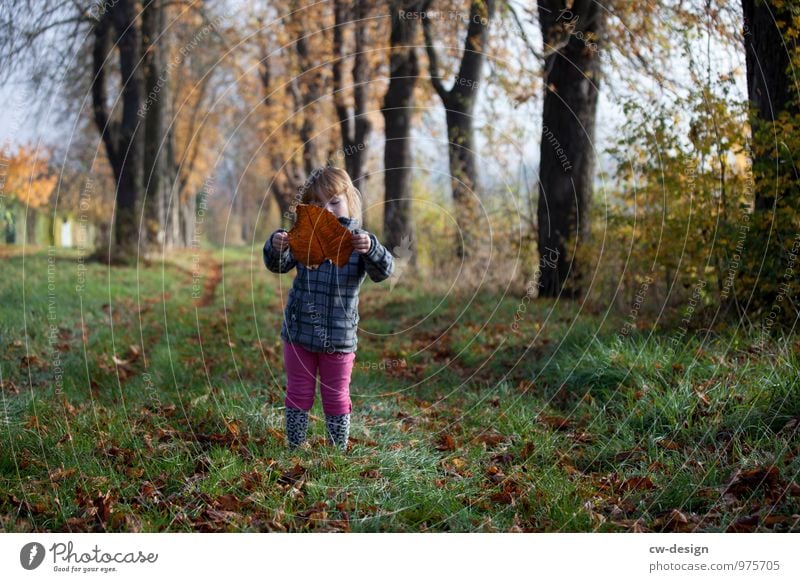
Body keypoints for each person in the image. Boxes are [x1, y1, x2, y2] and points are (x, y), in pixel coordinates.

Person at [263, 166, 395, 452]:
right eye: (319, 204)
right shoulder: (303, 235)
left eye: (335, 202)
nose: (328, 210)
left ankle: (337, 449)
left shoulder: (357, 240)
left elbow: (383, 272)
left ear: (349, 201)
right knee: (299, 390)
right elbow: (278, 265)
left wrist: (372, 248)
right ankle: (295, 445)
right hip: (299, 332)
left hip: (338, 337)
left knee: (335, 395)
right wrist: (277, 246)